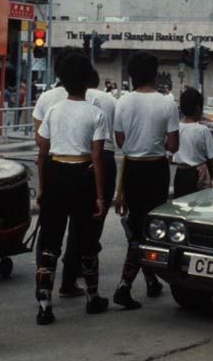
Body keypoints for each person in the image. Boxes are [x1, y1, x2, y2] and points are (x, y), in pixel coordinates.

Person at [35, 53, 109, 325]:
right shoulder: (96, 113)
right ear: (88, 80)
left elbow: (42, 153)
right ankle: (93, 297)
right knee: (87, 240)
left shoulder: (53, 111)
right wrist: (100, 196)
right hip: (83, 177)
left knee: (50, 243)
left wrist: (42, 187)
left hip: (55, 175)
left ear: (63, 81)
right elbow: (98, 157)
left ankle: (44, 305)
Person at [113, 51, 179, 310]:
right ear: (155, 74)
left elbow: (120, 141)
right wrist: (156, 141)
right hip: (156, 169)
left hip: (131, 169)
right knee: (149, 228)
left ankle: (150, 281)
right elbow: (173, 144)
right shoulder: (167, 103)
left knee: (138, 224)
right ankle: (124, 286)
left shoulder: (123, 102)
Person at [172, 88, 213, 198]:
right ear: (199, 108)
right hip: (198, 176)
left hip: (180, 174)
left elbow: (171, 156)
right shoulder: (202, 130)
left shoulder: (176, 128)